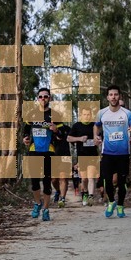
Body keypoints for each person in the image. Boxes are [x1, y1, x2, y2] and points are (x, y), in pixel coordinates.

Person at [94, 85, 131, 218]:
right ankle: (111, 202)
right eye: (111, 95)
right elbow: (96, 126)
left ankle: (120, 205)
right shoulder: (102, 113)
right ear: (107, 97)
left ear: (119, 96)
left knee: (121, 182)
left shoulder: (127, 113)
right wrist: (95, 137)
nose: (113, 97)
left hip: (123, 153)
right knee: (107, 181)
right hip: (107, 153)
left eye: (116, 94)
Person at [22, 87, 62, 222]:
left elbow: (62, 136)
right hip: (34, 150)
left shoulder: (55, 115)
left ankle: (45, 209)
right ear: (37, 99)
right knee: (34, 182)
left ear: (49, 98)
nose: (43, 99)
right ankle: (37, 203)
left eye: (46, 96)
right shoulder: (32, 114)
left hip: (48, 151)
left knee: (46, 182)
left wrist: (56, 130)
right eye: (40, 97)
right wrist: (25, 138)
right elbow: (26, 131)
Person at [68, 106, 98, 206]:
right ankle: (84, 193)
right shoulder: (77, 126)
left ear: (91, 115)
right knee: (84, 179)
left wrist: (98, 140)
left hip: (93, 155)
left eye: (88, 114)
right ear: (81, 115)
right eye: (84, 114)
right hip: (82, 156)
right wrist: (80, 139)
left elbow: (100, 137)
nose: (86, 116)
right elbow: (68, 138)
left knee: (91, 177)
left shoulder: (95, 125)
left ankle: (90, 197)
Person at [51, 122, 71, 208]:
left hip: (65, 156)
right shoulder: (49, 128)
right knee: (54, 180)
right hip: (53, 155)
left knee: (63, 177)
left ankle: (62, 199)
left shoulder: (67, 129)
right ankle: (58, 191)